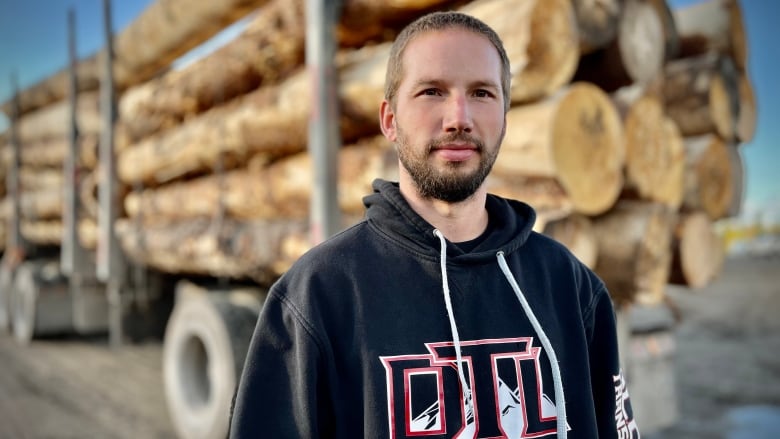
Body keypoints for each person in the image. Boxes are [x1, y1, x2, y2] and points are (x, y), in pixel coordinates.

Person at [230, 11, 639, 439]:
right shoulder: (318, 296)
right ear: (390, 120)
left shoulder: (570, 287)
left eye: (482, 93)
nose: (458, 117)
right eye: (432, 92)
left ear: (505, 116)